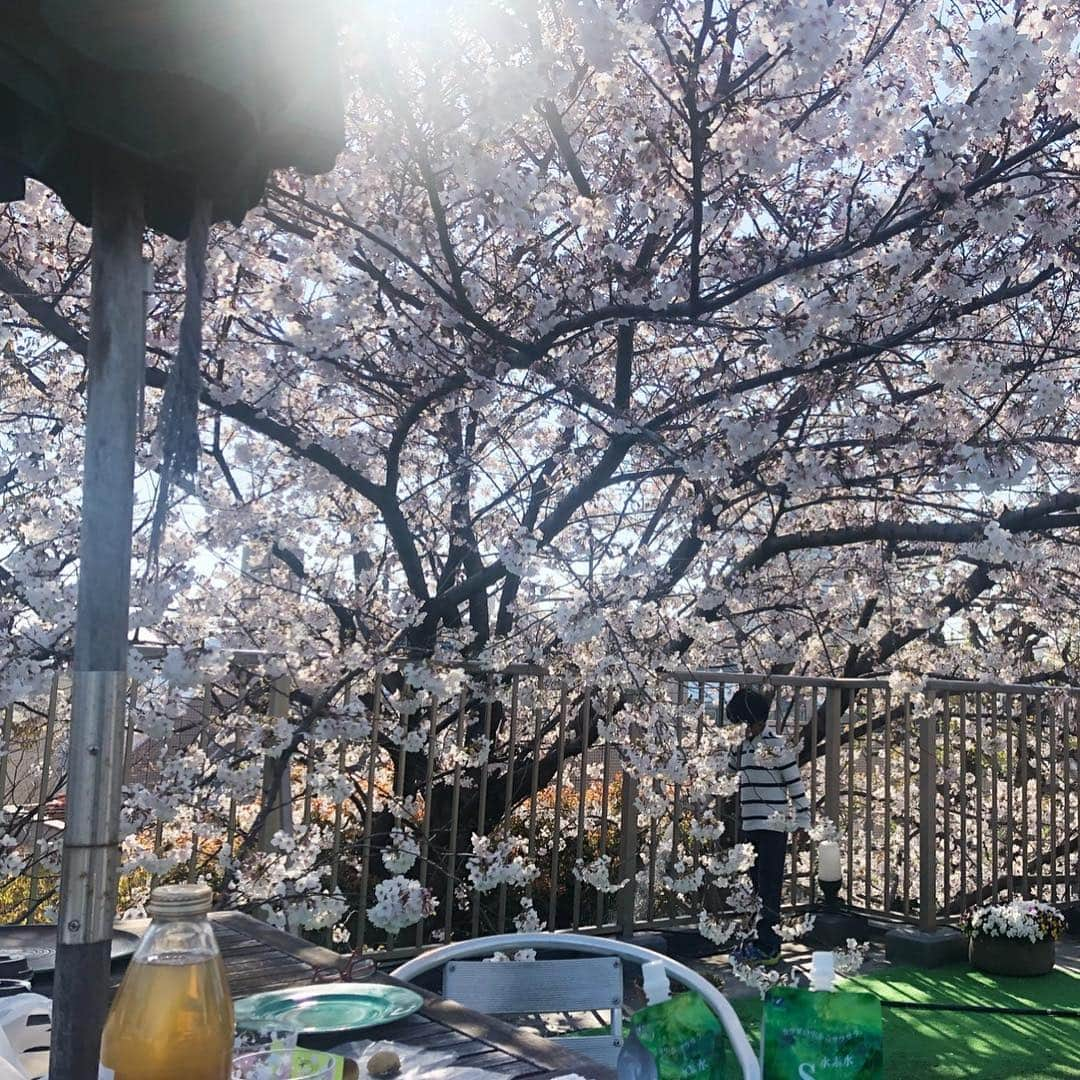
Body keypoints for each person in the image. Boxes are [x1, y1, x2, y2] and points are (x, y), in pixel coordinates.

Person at [726, 687, 810, 965]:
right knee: (753, 882)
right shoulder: (743, 746)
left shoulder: (776, 745)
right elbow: (728, 772)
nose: (743, 730)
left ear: (758, 721)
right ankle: (757, 938)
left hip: (774, 825)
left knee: (769, 884)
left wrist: (802, 818)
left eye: (745, 724)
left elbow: (794, 783)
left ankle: (769, 946)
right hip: (750, 823)